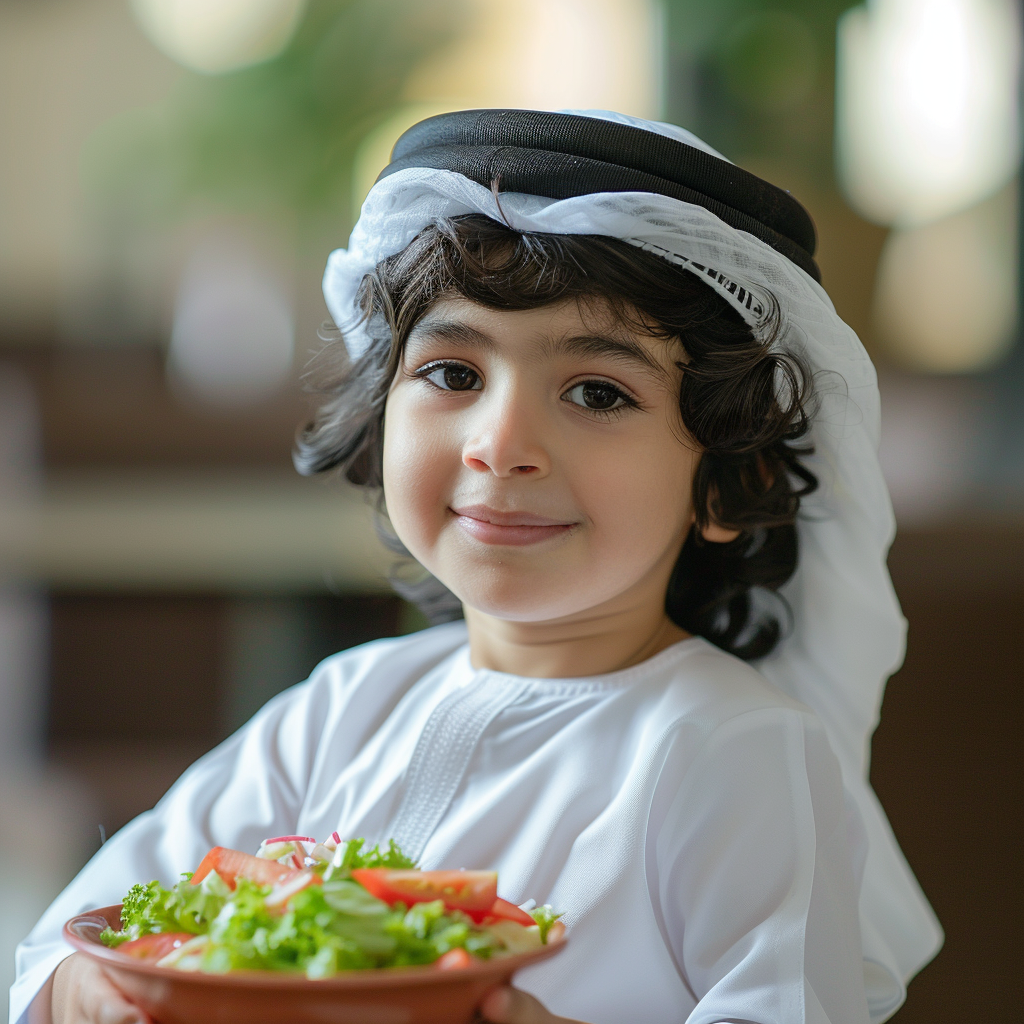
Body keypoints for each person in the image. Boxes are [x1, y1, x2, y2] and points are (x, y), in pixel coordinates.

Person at [12, 110, 942, 1024]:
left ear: (728, 487)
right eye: (454, 374)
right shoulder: (341, 709)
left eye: (596, 391)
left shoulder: (730, 750)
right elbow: (90, 923)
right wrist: (86, 993)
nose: (501, 445)